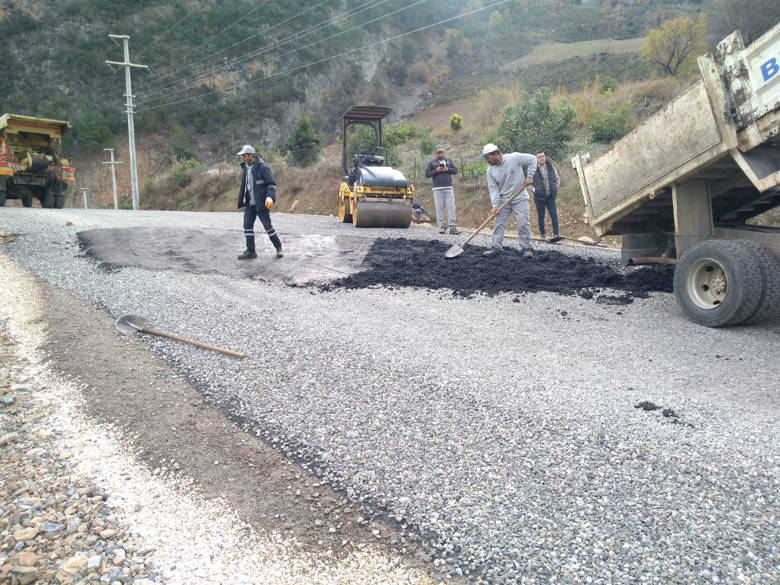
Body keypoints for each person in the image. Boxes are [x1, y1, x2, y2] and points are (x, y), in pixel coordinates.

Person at [481, 143, 537, 258]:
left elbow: (532, 159)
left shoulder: (514, 158)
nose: (486, 160)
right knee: (499, 223)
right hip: (503, 199)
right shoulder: (490, 171)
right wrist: (495, 205)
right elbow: (493, 188)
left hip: (520, 197)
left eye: (487, 157)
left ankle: (526, 247)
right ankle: (496, 247)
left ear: (495, 154)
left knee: (523, 222)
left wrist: (530, 176)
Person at [236, 144, 283, 259]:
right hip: (249, 204)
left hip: (261, 204)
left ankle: (278, 248)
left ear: (251, 155)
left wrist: (270, 197)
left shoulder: (263, 168)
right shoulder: (245, 168)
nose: (242, 157)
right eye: (242, 156)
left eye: (244, 155)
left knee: (268, 227)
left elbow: (271, 184)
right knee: (247, 226)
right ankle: (251, 251)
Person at [424, 145, 459, 235]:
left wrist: (447, 169)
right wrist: (437, 170)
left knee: (451, 207)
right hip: (437, 188)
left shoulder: (449, 161)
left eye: (441, 152)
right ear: (435, 154)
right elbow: (427, 174)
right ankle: (441, 226)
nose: (440, 154)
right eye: (438, 153)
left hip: (448, 187)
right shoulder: (431, 163)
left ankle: (452, 226)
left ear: (444, 153)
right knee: (439, 208)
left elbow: (455, 170)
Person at [532, 151, 561, 242]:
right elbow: (528, 183)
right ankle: (542, 234)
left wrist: (555, 188)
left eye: (543, 156)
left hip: (550, 197)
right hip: (539, 198)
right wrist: (534, 190)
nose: (542, 158)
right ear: (536, 158)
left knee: (554, 215)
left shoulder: (550, 167)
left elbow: (557, 178)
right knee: (541, 216)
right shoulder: (532, 169)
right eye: (540, 157)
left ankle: (556, 234)